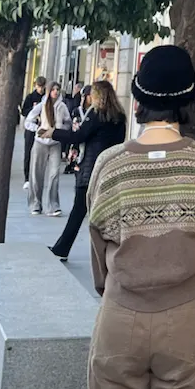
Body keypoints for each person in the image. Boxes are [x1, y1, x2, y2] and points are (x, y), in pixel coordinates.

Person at [86, 44, 195, 389]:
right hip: (188, 318)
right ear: (188, 102)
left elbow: (98, 250)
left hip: (119, 314)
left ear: (138, 99)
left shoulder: (110, 165)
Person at [42, 81, 127, 261]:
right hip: (110, 167)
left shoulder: (96, 115)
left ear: (98, 96)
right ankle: (114, 251)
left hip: (91, 168)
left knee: (79, 209)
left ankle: (62, 249)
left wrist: (53, 132)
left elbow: (78, 136)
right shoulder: (119, 116)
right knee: (108, 213)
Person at [26, 82, 70, 216]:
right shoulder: (42, 105)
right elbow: (28, 121)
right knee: (36, 174)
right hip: (40, 142)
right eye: (53, 89)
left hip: (55, 143)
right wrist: (37, 129)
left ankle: (53, 205)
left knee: (54, 174)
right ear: (48, 91)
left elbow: (67, 123)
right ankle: (35, 204)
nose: (55, 92)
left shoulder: (62, 107)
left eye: (58, 89)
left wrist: (60, 131)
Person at [21, 76, 47, 190]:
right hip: (31, 128)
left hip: (43, 127)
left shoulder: (47, 98)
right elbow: (23, 111)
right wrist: (33, 111)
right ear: (35, 86)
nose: (41, 89)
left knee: (41, 154)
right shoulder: (31, 97)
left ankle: (37, 177)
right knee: (28, 152)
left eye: (42, 86)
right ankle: (27, 178)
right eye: (39, 86)